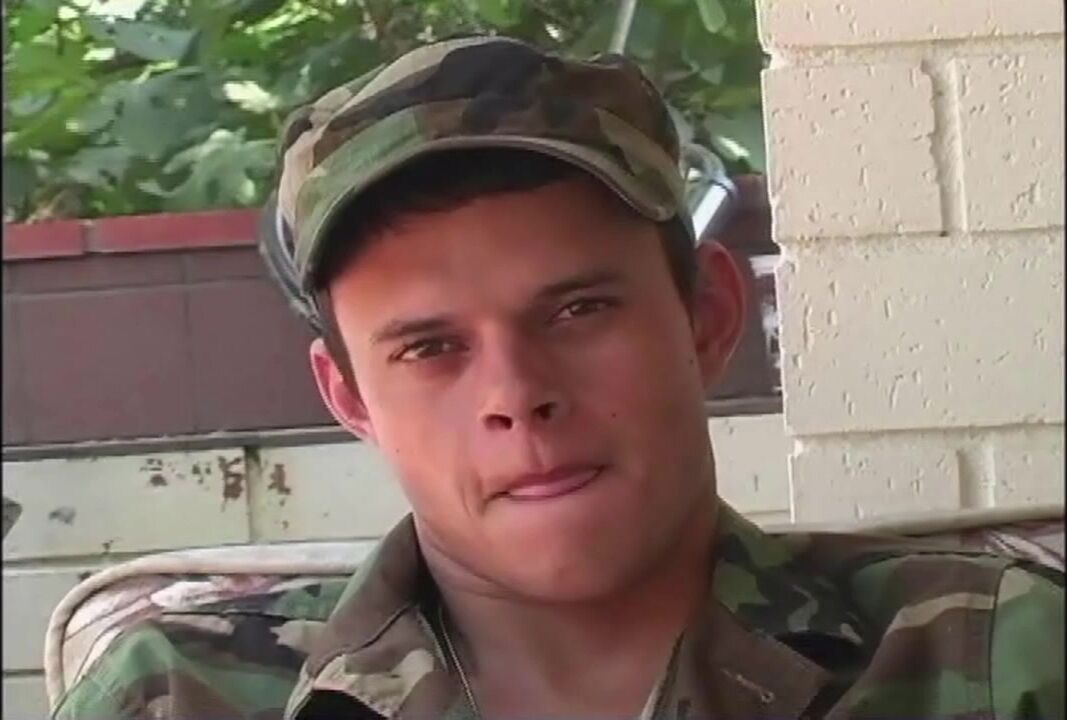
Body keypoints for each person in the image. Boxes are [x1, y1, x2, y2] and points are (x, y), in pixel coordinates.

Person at [53, 35, 1064, 720]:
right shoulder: (183, 694)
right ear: (351, 396)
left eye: (576, 312)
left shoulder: (985, 659)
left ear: (706, 318)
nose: (515, 395)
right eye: (429, 348)